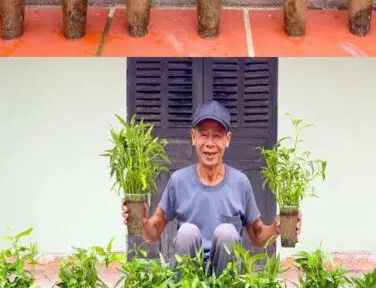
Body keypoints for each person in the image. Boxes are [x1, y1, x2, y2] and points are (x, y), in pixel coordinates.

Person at [122, 100, 301, 274]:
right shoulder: (178, 181)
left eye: (217, 136)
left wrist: (279, 227)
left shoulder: (240, 183)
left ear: (227, 140)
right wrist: (143, 222)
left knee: (227, 232)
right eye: (204, 135)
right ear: (193, 137)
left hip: (225, 282)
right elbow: (154, 232)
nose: (210, 143)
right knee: (187, 232)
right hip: (187, 281)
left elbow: (258, 235)